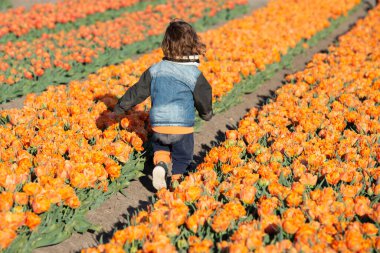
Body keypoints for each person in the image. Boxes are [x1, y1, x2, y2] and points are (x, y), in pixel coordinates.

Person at [113, 19, 213, 190]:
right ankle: (176, 181)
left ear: (166, 44)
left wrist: (119, 108)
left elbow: (138, 91)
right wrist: (206, 113)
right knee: (182, 156)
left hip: (159, 125)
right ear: (192, 44)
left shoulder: (156, 69)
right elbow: (204, 95)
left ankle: (160, 164)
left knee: (161, 147)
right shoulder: (193, 73)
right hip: (182, 126)